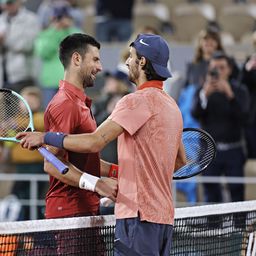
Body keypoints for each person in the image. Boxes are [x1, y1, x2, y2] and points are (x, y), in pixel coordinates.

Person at [17, 33, 187, 255]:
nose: (126, 62)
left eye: (132, 57)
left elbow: (94, 142)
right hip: (162, 217)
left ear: (142, 62)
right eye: (96, 59)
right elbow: (181, 161)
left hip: (136, 216)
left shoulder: (133, 101)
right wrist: (119, 178)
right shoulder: (172, 105)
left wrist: (45, 137)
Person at [20, 33, 118, 254]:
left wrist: (117, 172)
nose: (100, 67)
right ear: (76, 59)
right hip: (70, 211)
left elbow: (85, 160)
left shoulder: (80, 103)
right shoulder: (65, 104)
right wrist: (97, 184)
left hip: (83, 209)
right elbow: (52, 163)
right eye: (95, 59)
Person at [191, 51, 250, 203]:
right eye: (214, 68)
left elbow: (244, 116)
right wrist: (204, 94)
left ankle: (239, 225)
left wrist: (230, 95)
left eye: (222, 68)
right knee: (211, 194)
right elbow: (194, 113)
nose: (218, 71)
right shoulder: (202, 90)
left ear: (229, 69)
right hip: (210, 151)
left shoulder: (240, 90)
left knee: (237, 193)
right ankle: (213, 226)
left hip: (233, 149)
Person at [34, 3, 81, 108]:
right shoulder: (45, 34)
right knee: (51, 115)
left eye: (65, 17)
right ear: (53, 19)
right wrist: (56, 31)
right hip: (50, 82)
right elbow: (43, 52)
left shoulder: (76, 33)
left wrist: (67, 30)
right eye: (59, 17)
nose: (61, 20)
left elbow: (81, 51)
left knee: (71, 116)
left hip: (71, 82)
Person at [0, 0, 40, 91]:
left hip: (23, 74)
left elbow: (29, 45)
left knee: (23, 104)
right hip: (3, 75)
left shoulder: (31, 19)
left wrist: (5, 40)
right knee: (5, 105)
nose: (8, 6)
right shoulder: (1, 19)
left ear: (18, 2)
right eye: (6, 3)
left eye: (10, 3)